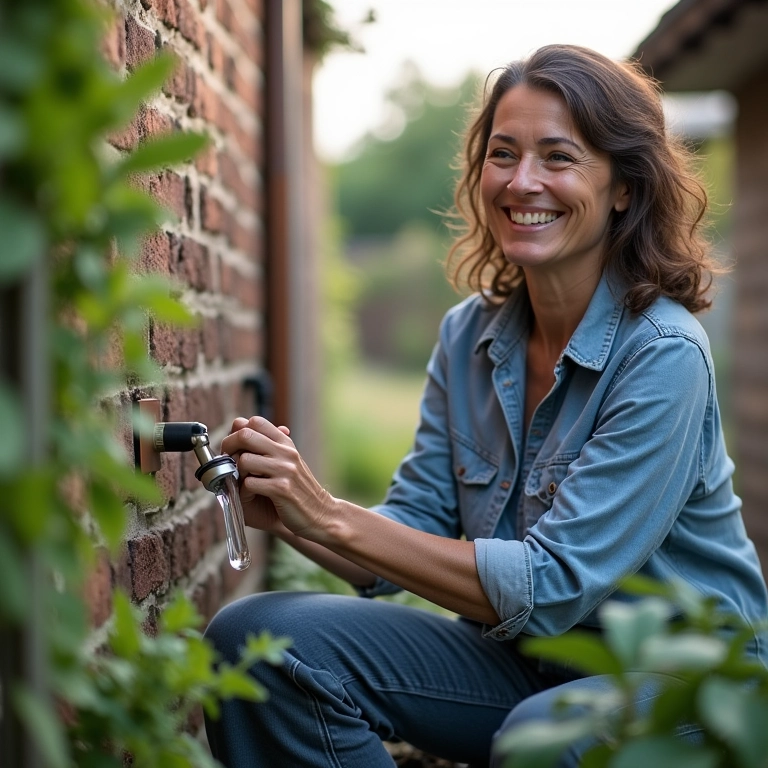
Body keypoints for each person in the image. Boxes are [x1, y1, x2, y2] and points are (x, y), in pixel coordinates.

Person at [203, 44, 768, 767]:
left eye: (559, 158)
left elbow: (555, 585)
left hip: (684, 686)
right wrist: (292, 511)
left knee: (542, 739)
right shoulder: (469, 334)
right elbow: (406, 531)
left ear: (623, 187)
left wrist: (333, 516)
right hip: (533, 668)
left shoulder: (663, 353)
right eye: (504, 153)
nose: (522, 181)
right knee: (260, 646)